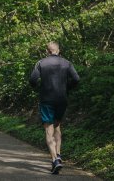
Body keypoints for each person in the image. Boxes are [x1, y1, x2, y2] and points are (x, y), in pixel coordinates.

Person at [29, 42, 80, 174]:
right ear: (59, 50)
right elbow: (76, 79)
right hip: (62, 99)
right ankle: (58, 155)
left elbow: (33, 80)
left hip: (46, 99)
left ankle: (55, 160)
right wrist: (67, 88)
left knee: (48, 129)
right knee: (57, 126)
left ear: (47, 51)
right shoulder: (67, 63)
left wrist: (39, 87)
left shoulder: (41, 63)